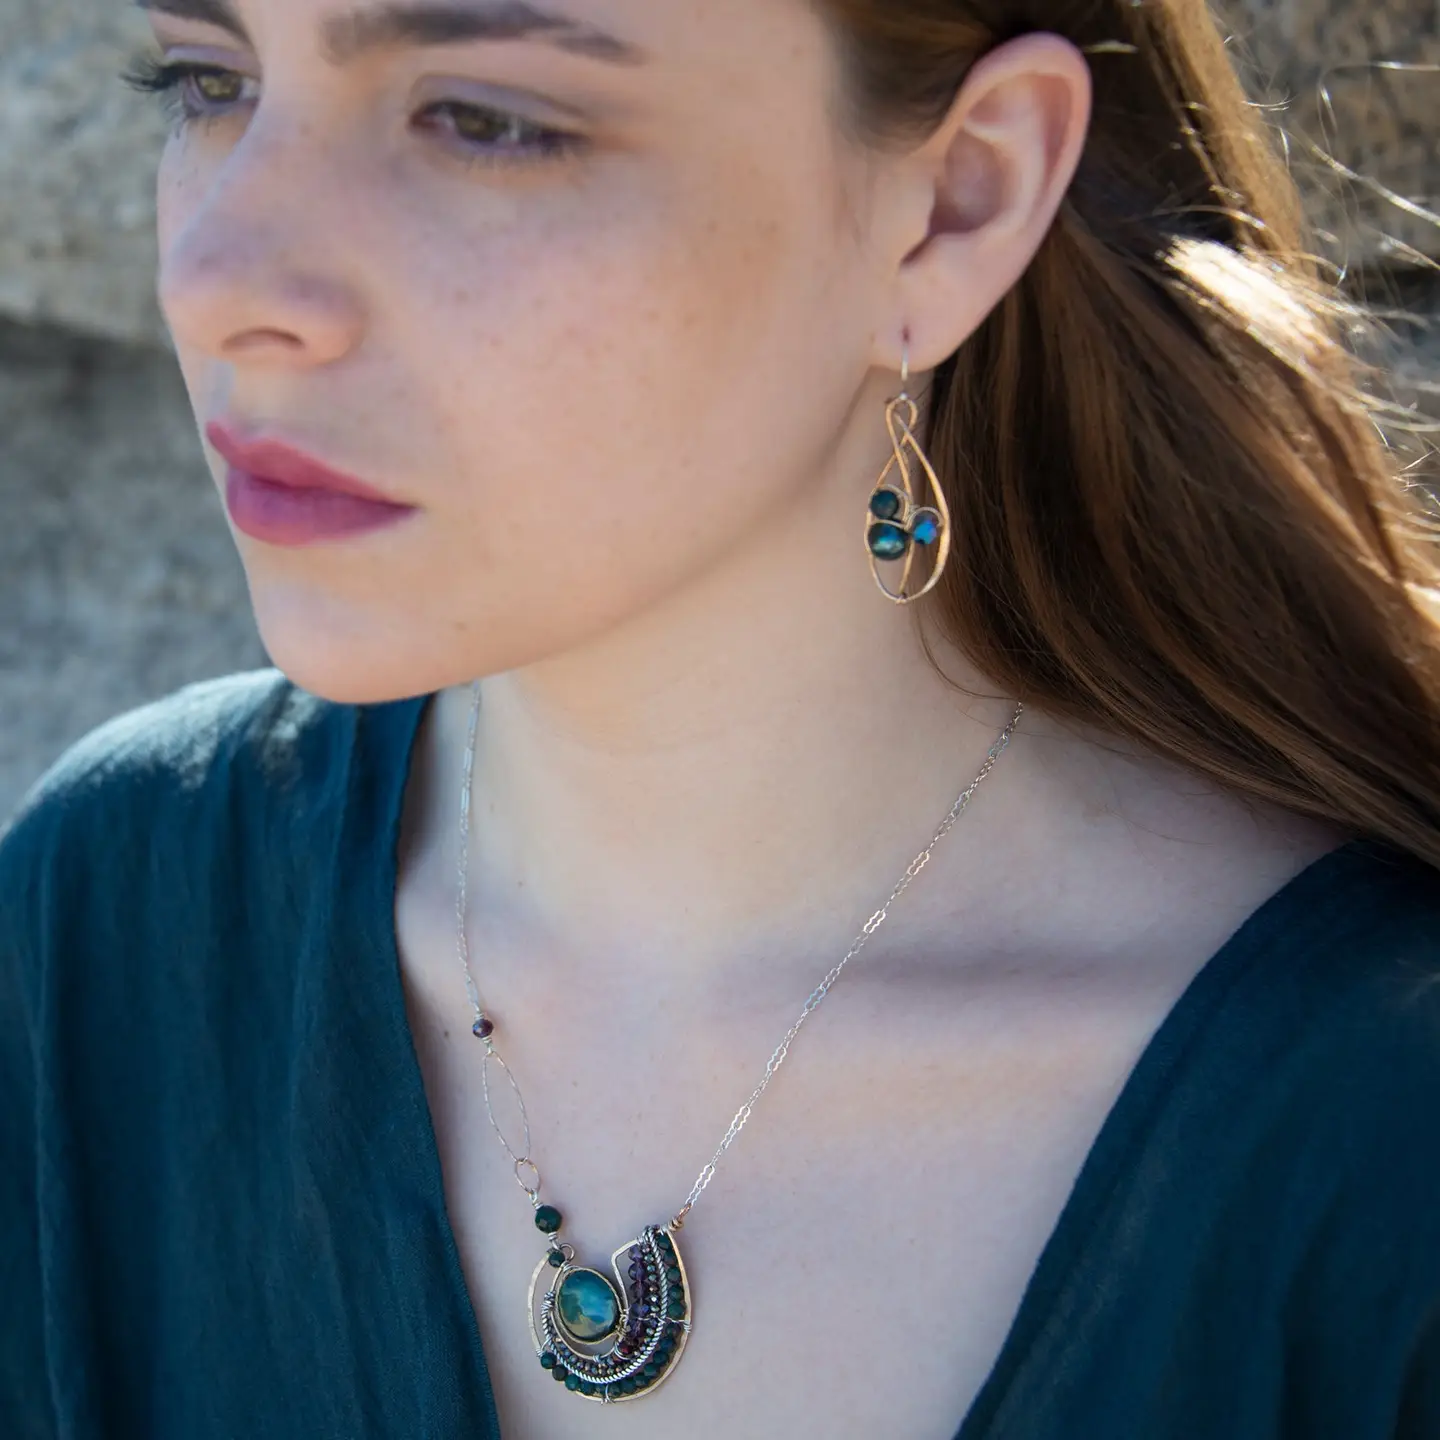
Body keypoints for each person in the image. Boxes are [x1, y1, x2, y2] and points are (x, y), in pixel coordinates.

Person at [3, 0, 1439, 1435]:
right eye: (209, 80)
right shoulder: (107, 936)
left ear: (956, 202)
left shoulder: (1379, 1141)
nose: (217, 281)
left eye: (485, 120)